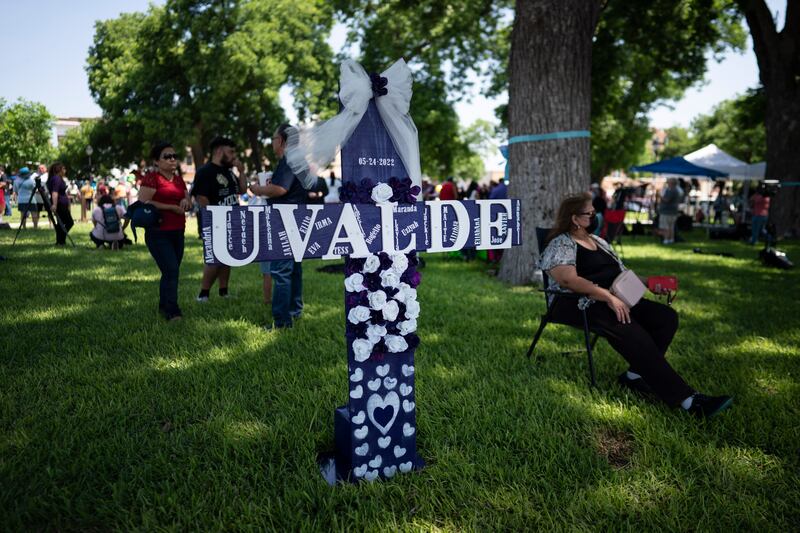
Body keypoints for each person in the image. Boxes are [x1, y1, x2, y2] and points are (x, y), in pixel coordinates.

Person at [539, 193, 733, 417]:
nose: (595, 216)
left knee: (665, 317)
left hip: (613, 298)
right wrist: (608, 297)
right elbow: (568, 280)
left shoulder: (598, 242)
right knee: (629, 327)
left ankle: (634, 375)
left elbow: (622, 274)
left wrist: (650, 283)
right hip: (575, 303)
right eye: (590, 213)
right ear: (574, 218)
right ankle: (688, 400)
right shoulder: (561, 243)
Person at [250, 124, 306, 330]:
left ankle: (282, 322)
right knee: (294, 270)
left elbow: (280, 189)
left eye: (273, 138)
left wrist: (257, 189)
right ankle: (294, 310)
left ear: (281, 140)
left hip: (284, 221)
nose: (272, 142)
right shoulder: (298, 160)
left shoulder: (289, 160)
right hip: (296, 219)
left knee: (282, 271)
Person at [139, 141, 192, 321]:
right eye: (167, 156)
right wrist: (171, 207)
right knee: (171, 270)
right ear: (156, 161)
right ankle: (172, 311)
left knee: (171, 270)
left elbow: (188, 201)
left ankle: (164, 305)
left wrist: (186, 203)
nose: (172, 159)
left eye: (174, 156)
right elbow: (144, 203)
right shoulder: (152, 178)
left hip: (178, 231)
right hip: (158, 232)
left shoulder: (178, 179)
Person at [191, 136, 247, 302]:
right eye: (230, 152)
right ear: (219, 151)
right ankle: (203, 294)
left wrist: (242, 171)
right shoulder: (205, 171)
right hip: (215, 222)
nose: (234, 156)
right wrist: (213, 220)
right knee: (215, 258)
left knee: (227, 257)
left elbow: (242, 190)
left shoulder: (229, 172)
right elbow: (201, 198)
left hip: (232, 221)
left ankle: (223, 291)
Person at [46, 163, 75, 245]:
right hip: (60, 204)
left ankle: (60, 241)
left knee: (61, 223)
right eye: (63, 168)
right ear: (59, 170)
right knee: (69, 222)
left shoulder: (55, 178)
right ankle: (61, 239)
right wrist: (54, 204)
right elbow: (54, 192)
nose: (65, 170)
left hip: (61, 203)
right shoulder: (57, 178)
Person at [658, 178, 683, 244]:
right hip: (673, 211)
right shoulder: (676, 190)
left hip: (667, 211)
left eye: (668, 182)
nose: (667, 184)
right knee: (670, 227)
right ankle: (670, 239)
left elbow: (666, 200)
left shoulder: (672, 191)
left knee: (666, 226)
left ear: (671, 183)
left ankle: (666, 239)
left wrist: (660, 196)